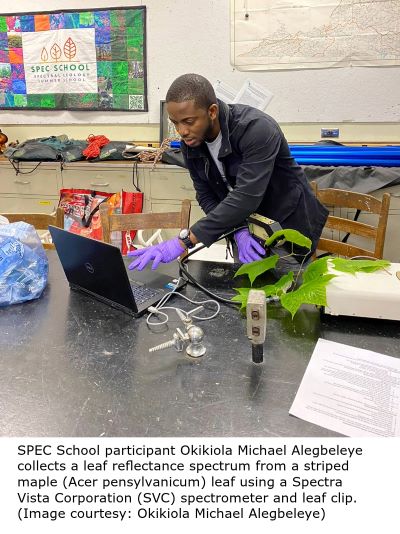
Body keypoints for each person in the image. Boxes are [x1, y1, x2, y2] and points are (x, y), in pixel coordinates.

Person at [128, 73, 328, 271]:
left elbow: (246, 196)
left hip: (287, 228)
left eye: (188, 121)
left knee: (288, 296)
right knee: (245, 296)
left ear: (212, 111)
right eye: (175, 123)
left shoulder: (256, 129)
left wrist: (184, 242)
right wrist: (239, 230)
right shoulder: (191, 144)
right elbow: (206, 195)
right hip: (247, 233)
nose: (182, 131)